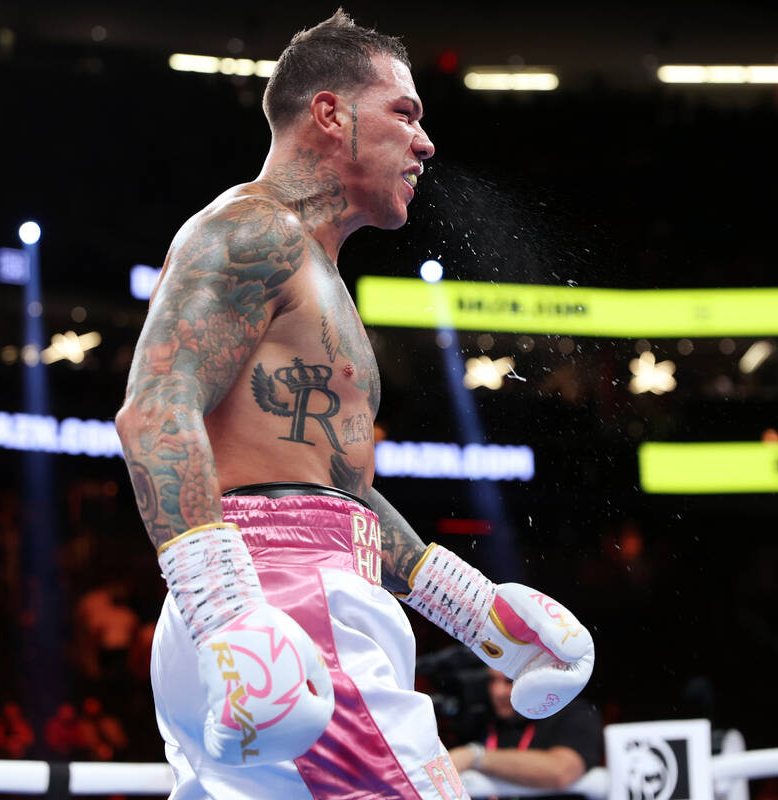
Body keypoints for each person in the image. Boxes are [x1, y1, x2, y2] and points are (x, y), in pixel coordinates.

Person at [115, 9, 595, 799]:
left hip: (275, 604)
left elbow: (338, 492)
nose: (425, 142)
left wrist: (477, 612)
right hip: (284, 604)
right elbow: (155, 412)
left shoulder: (317, 275)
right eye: (404, 113)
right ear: (331, 113)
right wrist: (231, 610)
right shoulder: (252, 231)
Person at [448, 668, 602, 799]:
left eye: (509, 681)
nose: (498, 692)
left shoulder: (574, 712)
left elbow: (562, 772)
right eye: (492, 680)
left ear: (535, 680)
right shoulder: (483, 718)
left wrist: (475, 756)